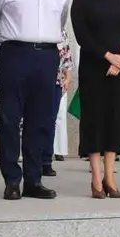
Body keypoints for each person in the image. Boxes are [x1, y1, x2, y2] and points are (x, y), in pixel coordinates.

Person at [0, 0, 68, 201]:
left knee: (40, 120)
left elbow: (61, 19)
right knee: (10, 118)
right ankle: (12, 180)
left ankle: (34, 180)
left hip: (47, 55)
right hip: (15, 52)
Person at [71, 0, 120, 199]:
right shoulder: (82, 0)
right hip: (94, 69)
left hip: (119, 70)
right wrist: (110, 57)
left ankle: (110, 177)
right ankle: (96, 178)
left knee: (115, 121)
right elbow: (83, 37)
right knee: (94, 121)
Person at [42, 29, 73, 177]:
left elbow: (66, 57)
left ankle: (46, 161)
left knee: (50, 121)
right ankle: (34, 159)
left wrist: (68, 78)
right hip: (37, 79)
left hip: (56, 81)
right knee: (35, 121)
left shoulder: (61, 32)